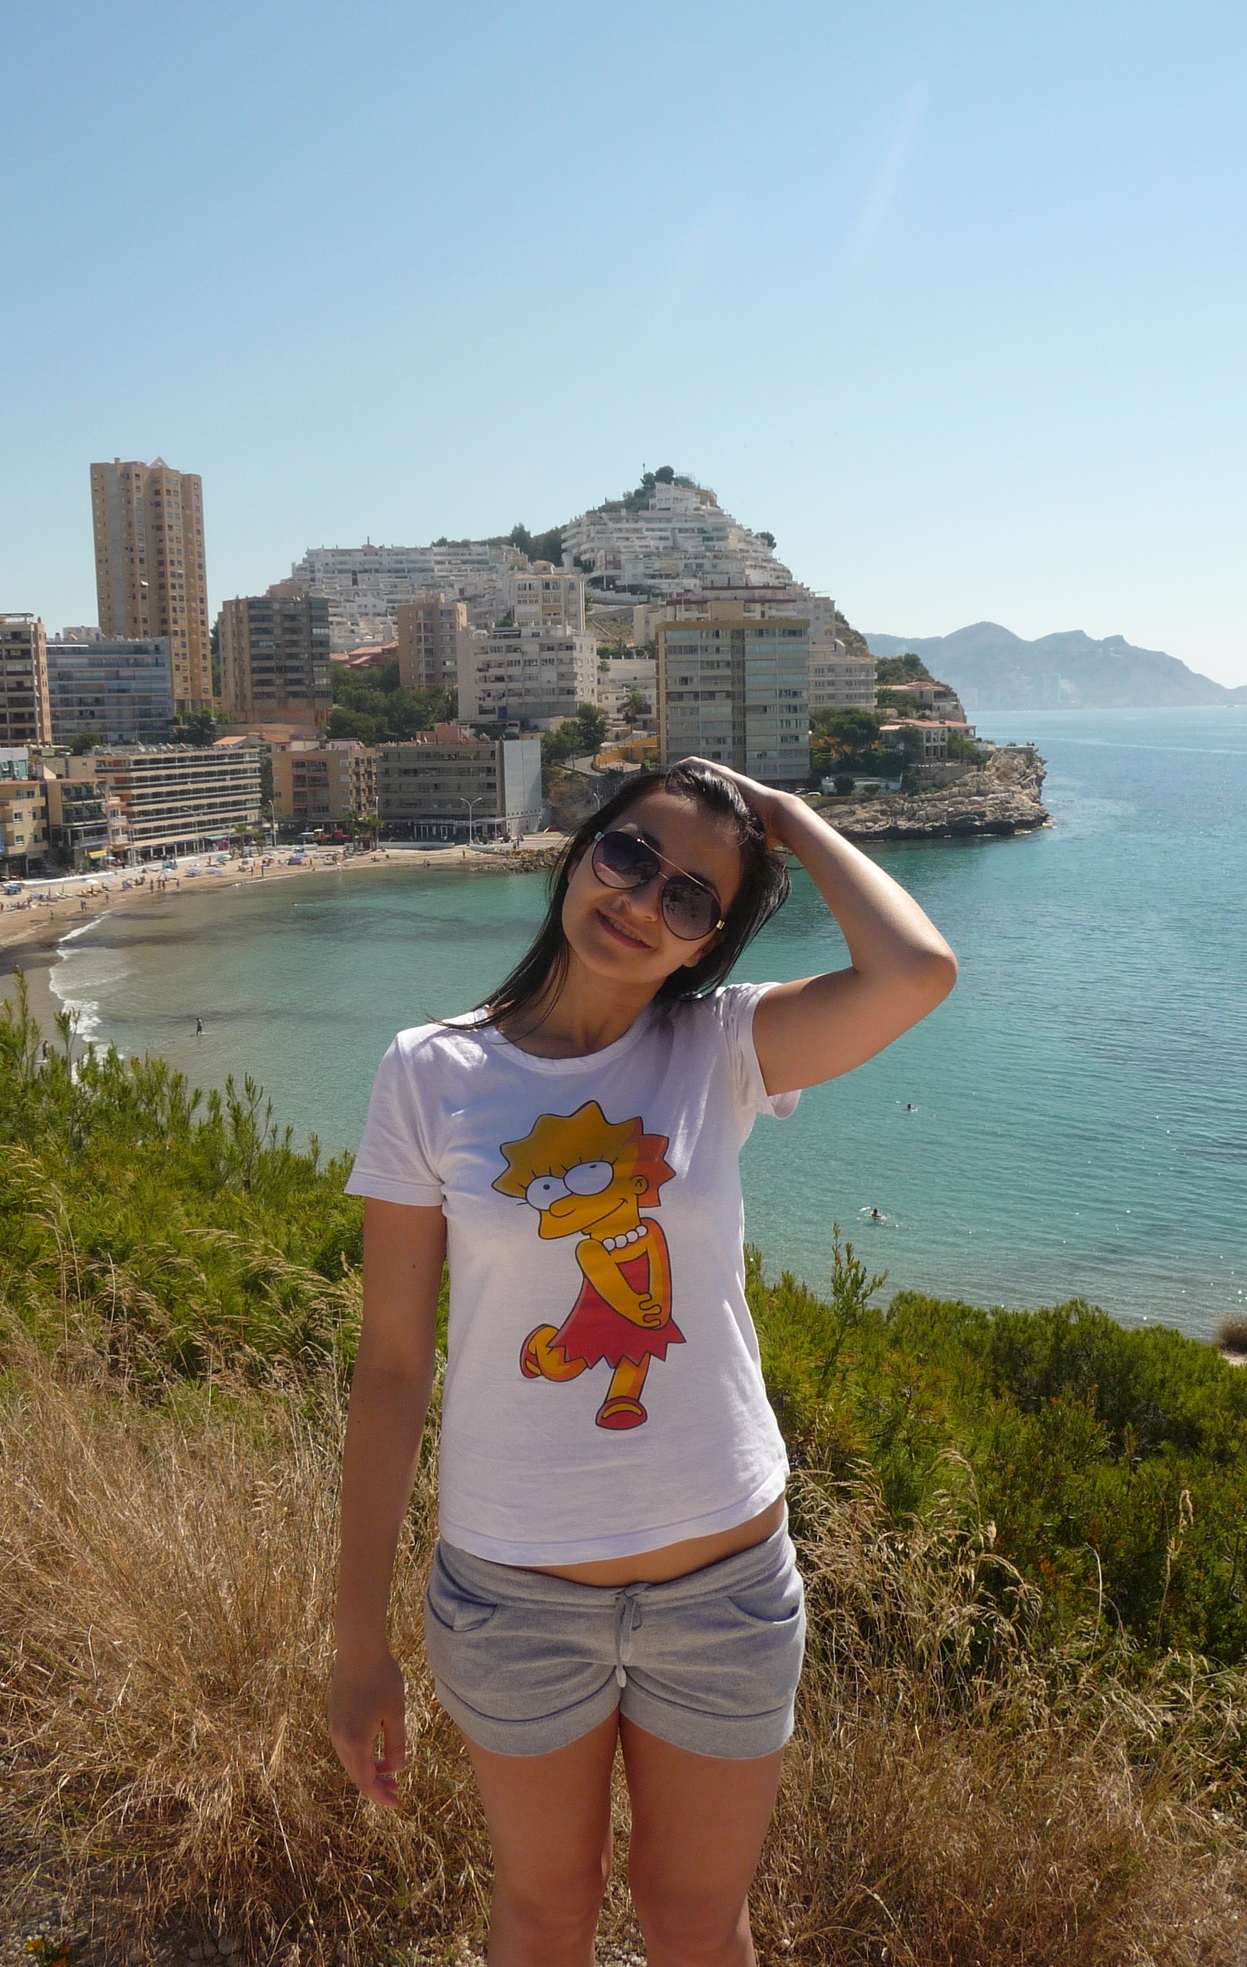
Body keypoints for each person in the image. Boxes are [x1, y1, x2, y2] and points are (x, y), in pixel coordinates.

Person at [330, 760, 957, 1967]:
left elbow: (917, 971)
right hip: (515, 1594)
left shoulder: (722, 1044)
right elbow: (394, 1366)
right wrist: (360, 1646)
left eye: (690, 897)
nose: (641, 900)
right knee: (544, 1912)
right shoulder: (429, 1070)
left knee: (697, 1922)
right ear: (581, 849)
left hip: (723, 1587)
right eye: (628, 854)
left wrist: (786, 816)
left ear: (708, 942)